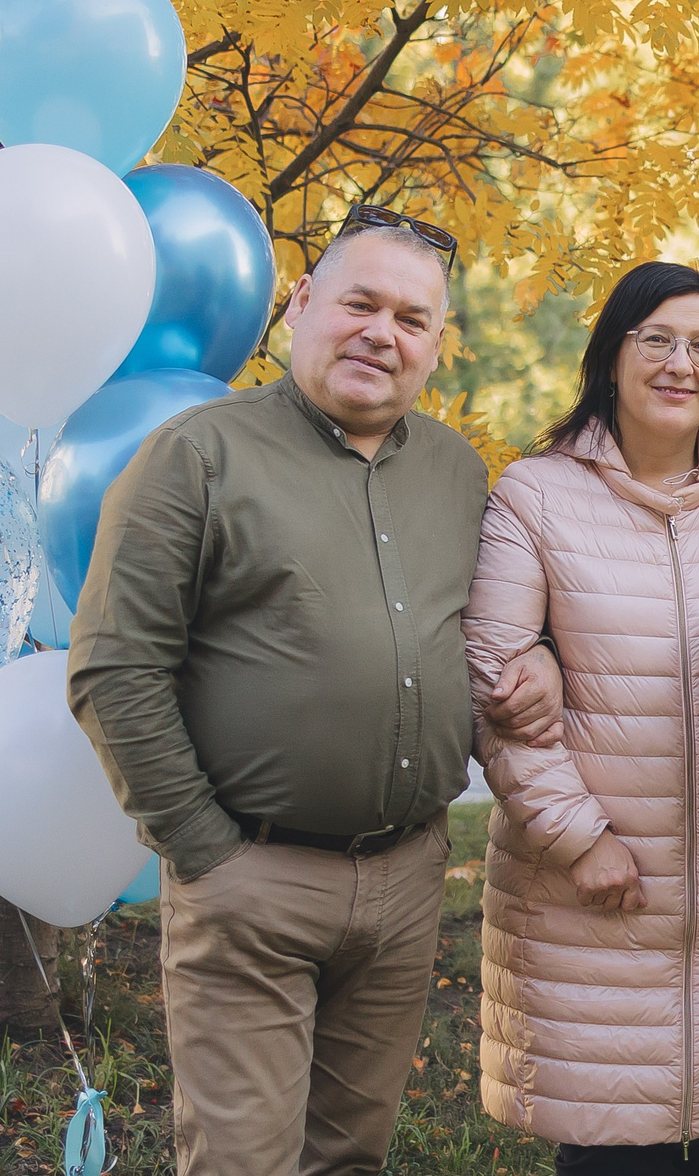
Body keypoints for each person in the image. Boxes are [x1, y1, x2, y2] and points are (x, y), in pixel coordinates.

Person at [69, 206, 552, 1176]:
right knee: (242, 1162)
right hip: (249, 878)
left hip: (409, 880)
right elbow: (114, 667)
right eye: (359, 303)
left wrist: (533, 655)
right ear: (300, 307)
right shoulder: (196, 456)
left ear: (435, 348)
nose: (382, 332)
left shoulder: (458, 473)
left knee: (349, 1158)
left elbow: (495, 625)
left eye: (412, 319)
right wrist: (204, 852)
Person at [464, 261, 699, 1170]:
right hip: (596, 892)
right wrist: (580, 839)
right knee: (614, 1148)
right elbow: (496, 689)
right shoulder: (534, 495)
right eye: (656, 337)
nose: (680, 362)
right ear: (612, 354)